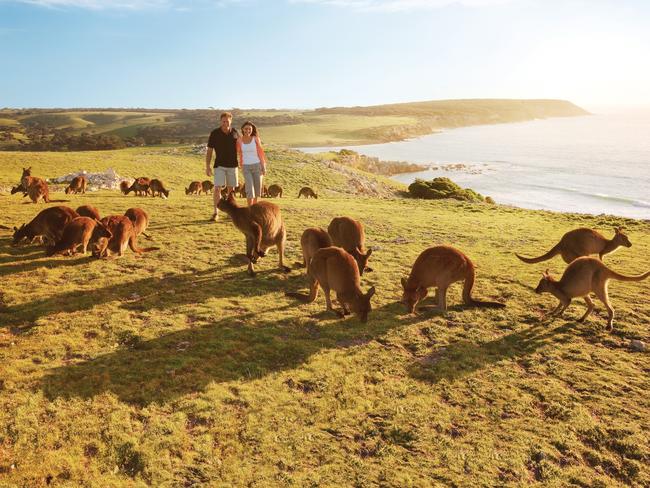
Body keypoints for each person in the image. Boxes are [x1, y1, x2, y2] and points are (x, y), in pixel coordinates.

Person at [205, 112, 239, 221]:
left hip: (233, 166)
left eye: (227, 121)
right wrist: (207, 166)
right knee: (217, 188)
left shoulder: (235, 133)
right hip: (219, 165)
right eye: (223, 121)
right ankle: (216, 213)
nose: (225, 123)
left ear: (231, 121)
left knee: (231, 190)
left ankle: (231, 213)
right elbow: (209, 151)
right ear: (221, 121)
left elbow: (241, 148)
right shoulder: (214, 133)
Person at [236, 121, 267, 206]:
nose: (248, 130)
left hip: (257, 166)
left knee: (257, 189)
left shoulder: (256, 139)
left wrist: (263, 167)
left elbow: (260, 153)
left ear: (252, 130)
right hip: (246, 167)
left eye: (250, 129)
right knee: (250, 189)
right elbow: (237, 152)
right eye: (246, 129)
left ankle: (255, 209)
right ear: (242, 129)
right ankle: (250, 209)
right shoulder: (239, 140)